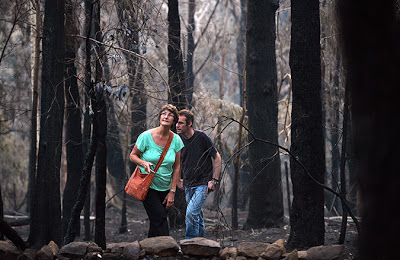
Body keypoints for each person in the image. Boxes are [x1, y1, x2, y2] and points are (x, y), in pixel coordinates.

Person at [130, 104, 184, 237]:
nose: (166, 116)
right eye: (163, 113)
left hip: (165, 188)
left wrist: (172, 191)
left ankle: (150, 251)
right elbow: (133, 155)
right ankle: (168, 249)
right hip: (148, 185)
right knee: (160, 217)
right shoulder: (146, 136)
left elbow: (177, 166)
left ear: (174, 120)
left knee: (156, 222)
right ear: (160, 117)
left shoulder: (176, 140)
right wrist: (143, 162)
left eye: (170, 115)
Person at [176, 109, 222, 239]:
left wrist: (214, 180)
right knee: (197, 215)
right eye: (177, 123)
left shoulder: (201, 137)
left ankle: (190, 242)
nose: (177, 125)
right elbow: (177, 161)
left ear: (189, 124)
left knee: (191, 213)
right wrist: (179, 179)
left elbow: (217, 157)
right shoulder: (178, 140)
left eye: (180, 123)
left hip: (203, 183)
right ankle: (202, 244)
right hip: (188, 184)